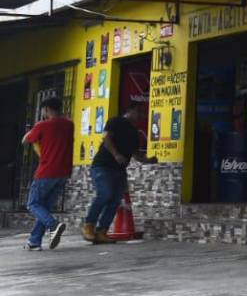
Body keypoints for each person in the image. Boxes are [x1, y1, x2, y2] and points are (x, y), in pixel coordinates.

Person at [83, 104, 157, 243]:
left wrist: (148, 160)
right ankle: (89, 227)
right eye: (139, 111)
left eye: (143, 113)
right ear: (129, 110)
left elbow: (135, 154)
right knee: (105, 194)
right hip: (103, 166)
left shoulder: (135, 132)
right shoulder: (115, 121)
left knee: (115, 200)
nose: (141, 115)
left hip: (119, 170)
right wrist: (116, 154)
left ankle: (102, 231)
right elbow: (106, 138)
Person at [21, 98, 74, 251]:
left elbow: (26, 140)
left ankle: (54, 225)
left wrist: (33, 132)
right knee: (44, 207)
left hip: (46, 171)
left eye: (43, 110)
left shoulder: (42, 126)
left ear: (46, 109)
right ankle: (34, 241)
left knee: (33, 204)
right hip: (63, 173)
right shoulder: (69, 125)